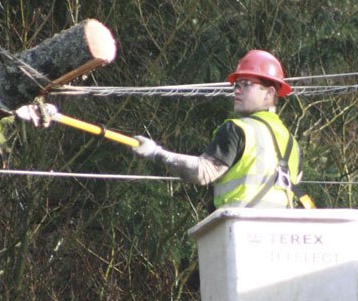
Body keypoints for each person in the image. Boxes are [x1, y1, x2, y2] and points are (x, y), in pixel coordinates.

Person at [132, 50, 312, 209]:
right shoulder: (293, 144)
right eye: (237, 85)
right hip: (281, 236)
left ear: (269, 93)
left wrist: (156, 153)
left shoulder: (238, 129)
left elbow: (203, 172)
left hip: (241, 231)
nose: (237, 91)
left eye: (246, 84)